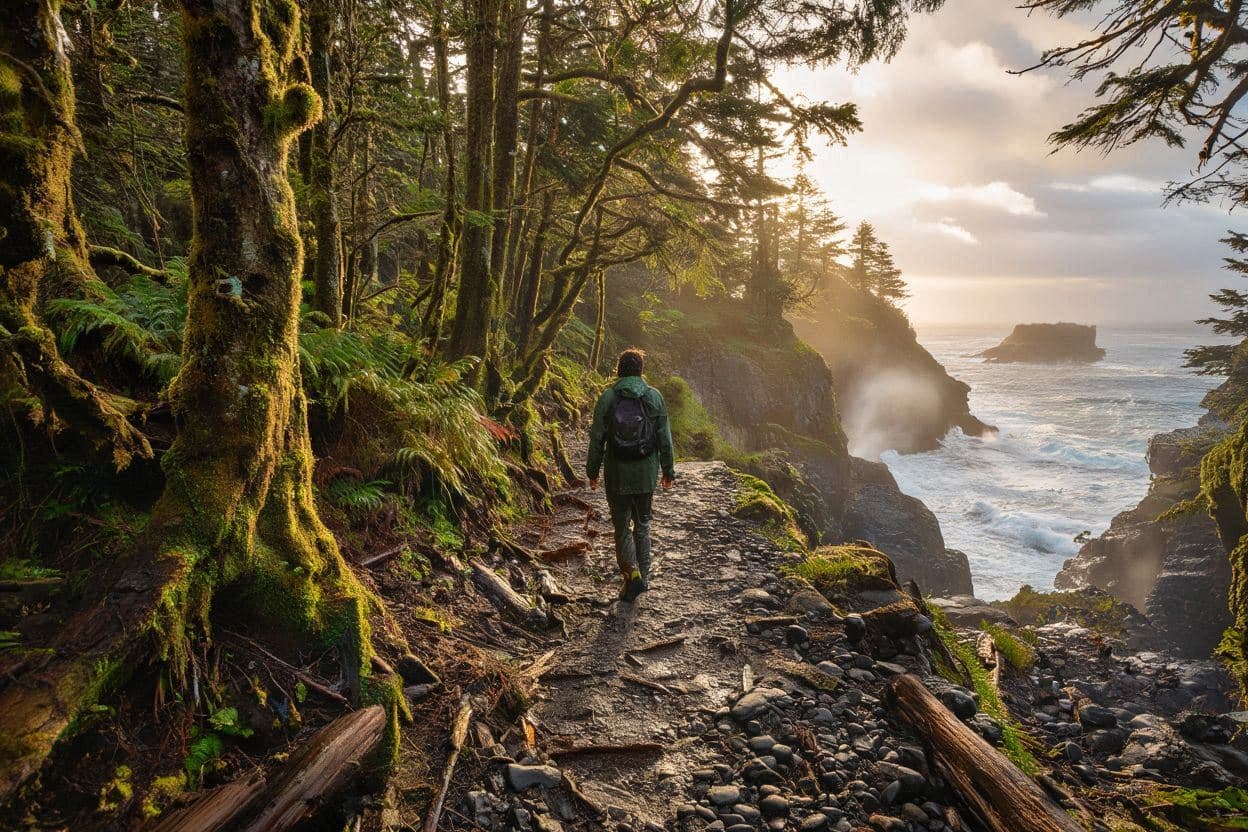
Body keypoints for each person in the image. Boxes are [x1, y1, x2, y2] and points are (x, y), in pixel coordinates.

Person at [586, 348, 676, 602]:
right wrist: (668, 471)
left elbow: (597, 439)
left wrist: (592, 471)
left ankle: (631, 575)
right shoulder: (654, 397)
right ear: (640, 370)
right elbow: (665, 438)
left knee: (622, 528)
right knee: (643, 525)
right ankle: (643, 579)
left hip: (617, 475)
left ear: (619, 370)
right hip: (646, 475)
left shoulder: (607, 398)